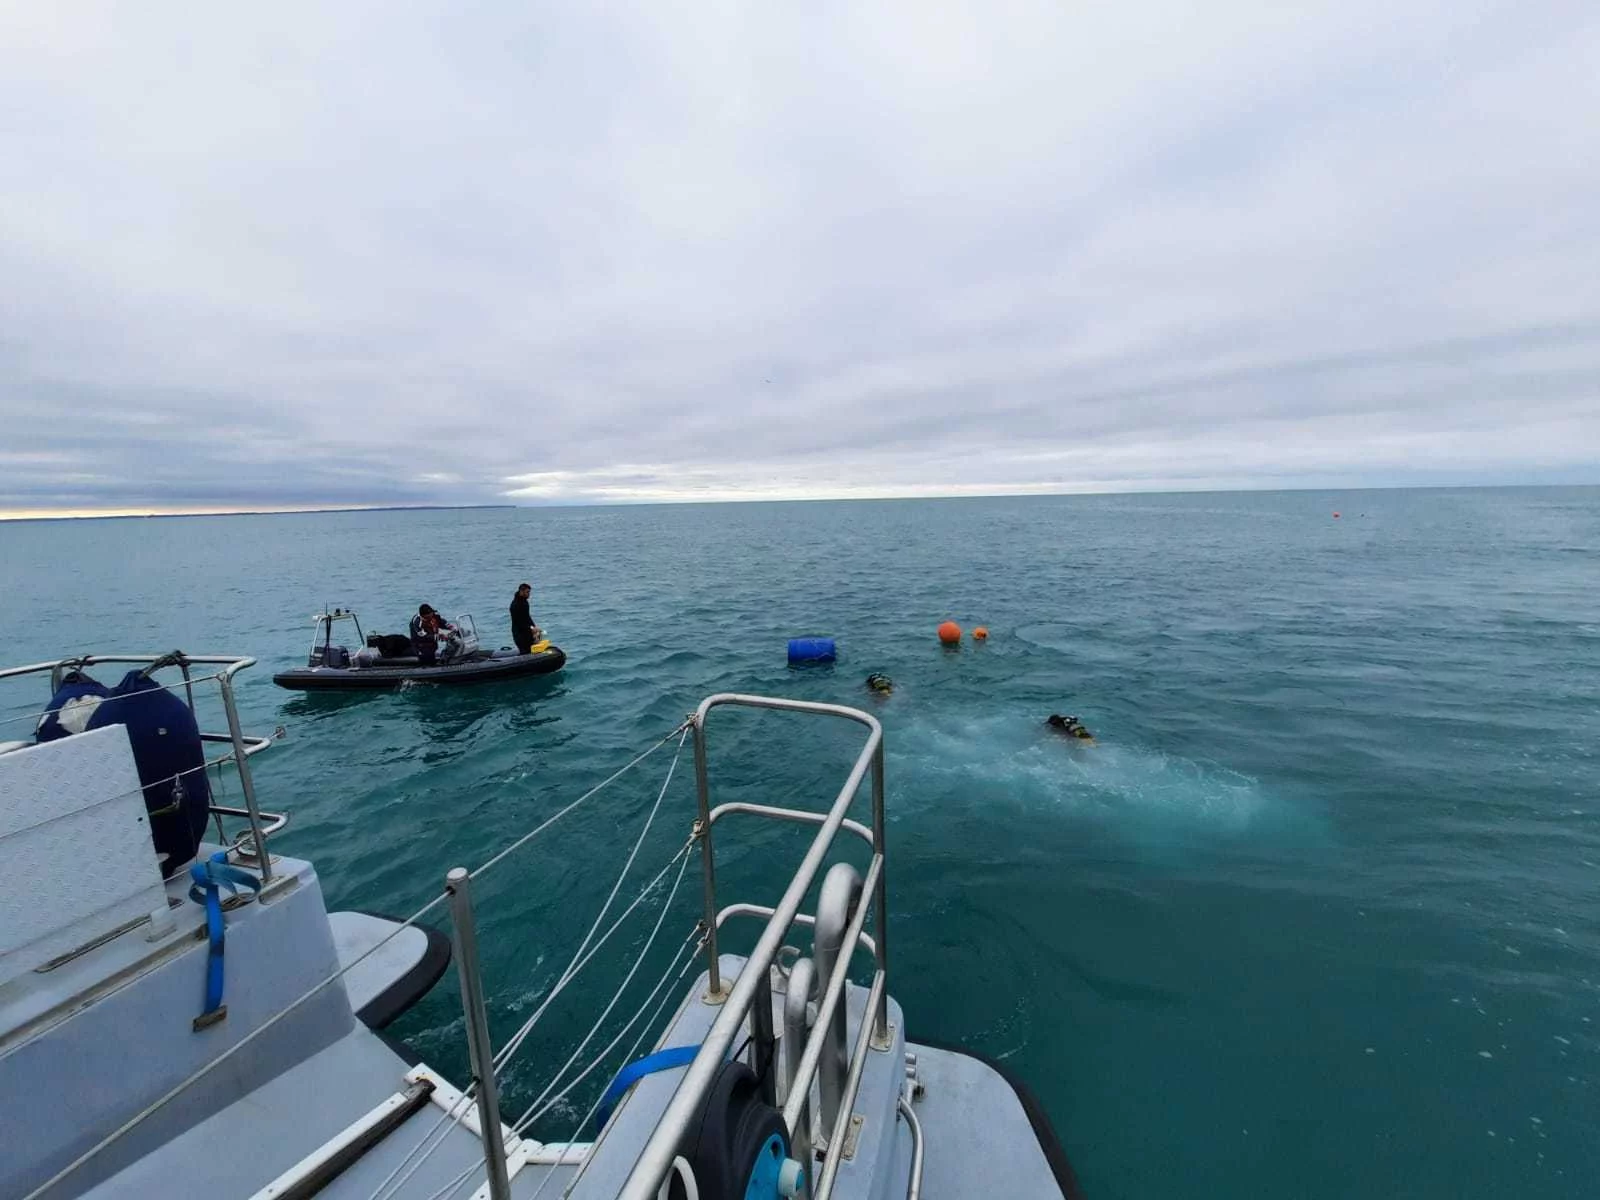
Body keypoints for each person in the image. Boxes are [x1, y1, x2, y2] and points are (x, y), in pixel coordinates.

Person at [509, 583, 541, 654]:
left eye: (529, 592)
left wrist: (534, 627)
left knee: (538, 636)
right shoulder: (515, 605)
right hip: (519, 634)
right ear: (521, 591)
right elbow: (519, 623)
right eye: (527, 592)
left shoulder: (524, 602)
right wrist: (531, 629)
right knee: (526, 652)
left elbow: (527, 617)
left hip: (526, 631)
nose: (529, 594)